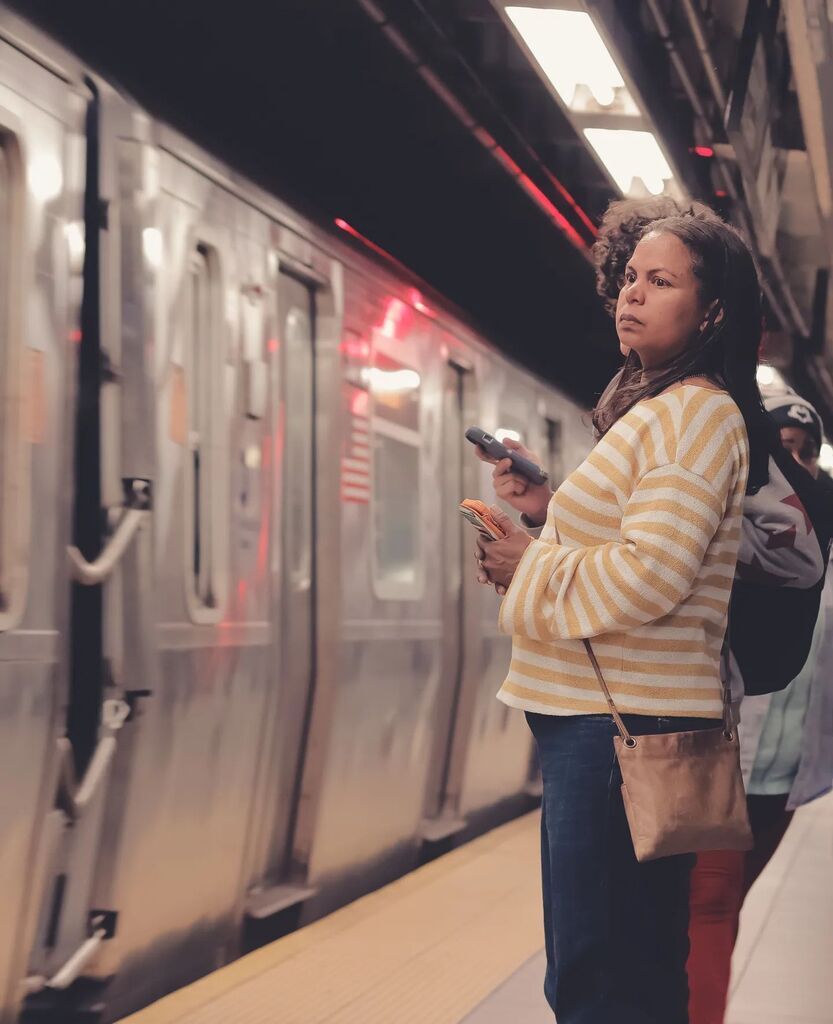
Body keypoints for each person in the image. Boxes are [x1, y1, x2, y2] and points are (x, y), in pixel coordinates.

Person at [473, 211, 771, 1023]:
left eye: (661, 281)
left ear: (711, 312)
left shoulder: (692, 413)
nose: (631, 295)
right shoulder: (663, 406)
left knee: (597, 978)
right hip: (611, 724)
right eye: (630, 278)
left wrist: (527, 564)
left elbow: (652, 574)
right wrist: (551, 507)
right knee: (624, 967)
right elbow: (645, 537)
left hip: (617, 732)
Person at [686, 390, 833, 1024]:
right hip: (718, 758)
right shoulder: (722, 530)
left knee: (722, 903)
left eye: (804, 451)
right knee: (709, 902)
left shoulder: (818, 543)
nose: (792, 462)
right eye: (779, 449)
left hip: (785, 774)